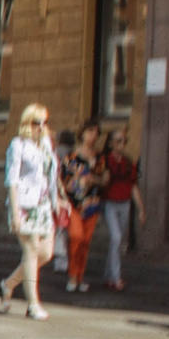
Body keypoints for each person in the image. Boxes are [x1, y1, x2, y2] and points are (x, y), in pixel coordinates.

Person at [0, 105, 60, 321]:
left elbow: (51, 175)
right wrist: (15, 211)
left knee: (46, 253)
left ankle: (8, 284)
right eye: (36, 123)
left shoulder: (46, 144)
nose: (41, 127)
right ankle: (33, 304)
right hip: (24, 205)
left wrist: (57, 199)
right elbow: (12, 180)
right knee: (31, 251)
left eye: (44, 122)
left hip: (44, 205)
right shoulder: (18, 145)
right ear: (26, 124)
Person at [55, 124, 102, 293]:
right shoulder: (71, 157)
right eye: (90, 131)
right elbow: (61, 180)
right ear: (82, 134)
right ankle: (72, 276)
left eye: (96, 133)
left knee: (85, 242)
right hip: (73, 204)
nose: (93, 136)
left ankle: (80, 277)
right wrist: (62, 198)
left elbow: (104, 179)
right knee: (76, 237)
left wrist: (94, 179)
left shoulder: (98, 157)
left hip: (91, 203)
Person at [97, 131, 145, 291]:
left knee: (117, 241)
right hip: (109, 203)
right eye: (118, 141)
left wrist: (140, 209)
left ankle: (109, 276)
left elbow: (133, 186)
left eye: (124, 141)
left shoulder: (128, 162)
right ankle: (116, 277)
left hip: (125, 204)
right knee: (116, 238)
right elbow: (100, 181)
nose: (121, 144)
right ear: (111, 143)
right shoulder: (105, 160)